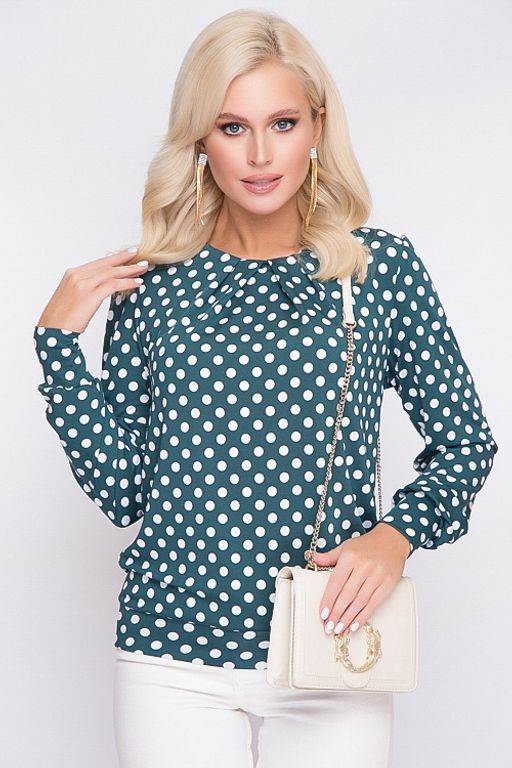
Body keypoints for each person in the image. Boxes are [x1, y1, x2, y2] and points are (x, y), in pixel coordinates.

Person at [32, 8, 498, 768]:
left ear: (317, 127)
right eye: (232, 127)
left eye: (282, 123)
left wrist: (394, 537)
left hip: (332, 644)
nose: (258, 154)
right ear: (200, 140)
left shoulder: (377, 270)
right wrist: (58, 349)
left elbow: (465, 442)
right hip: (172, 655)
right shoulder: (154, 287)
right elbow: (124, 492)